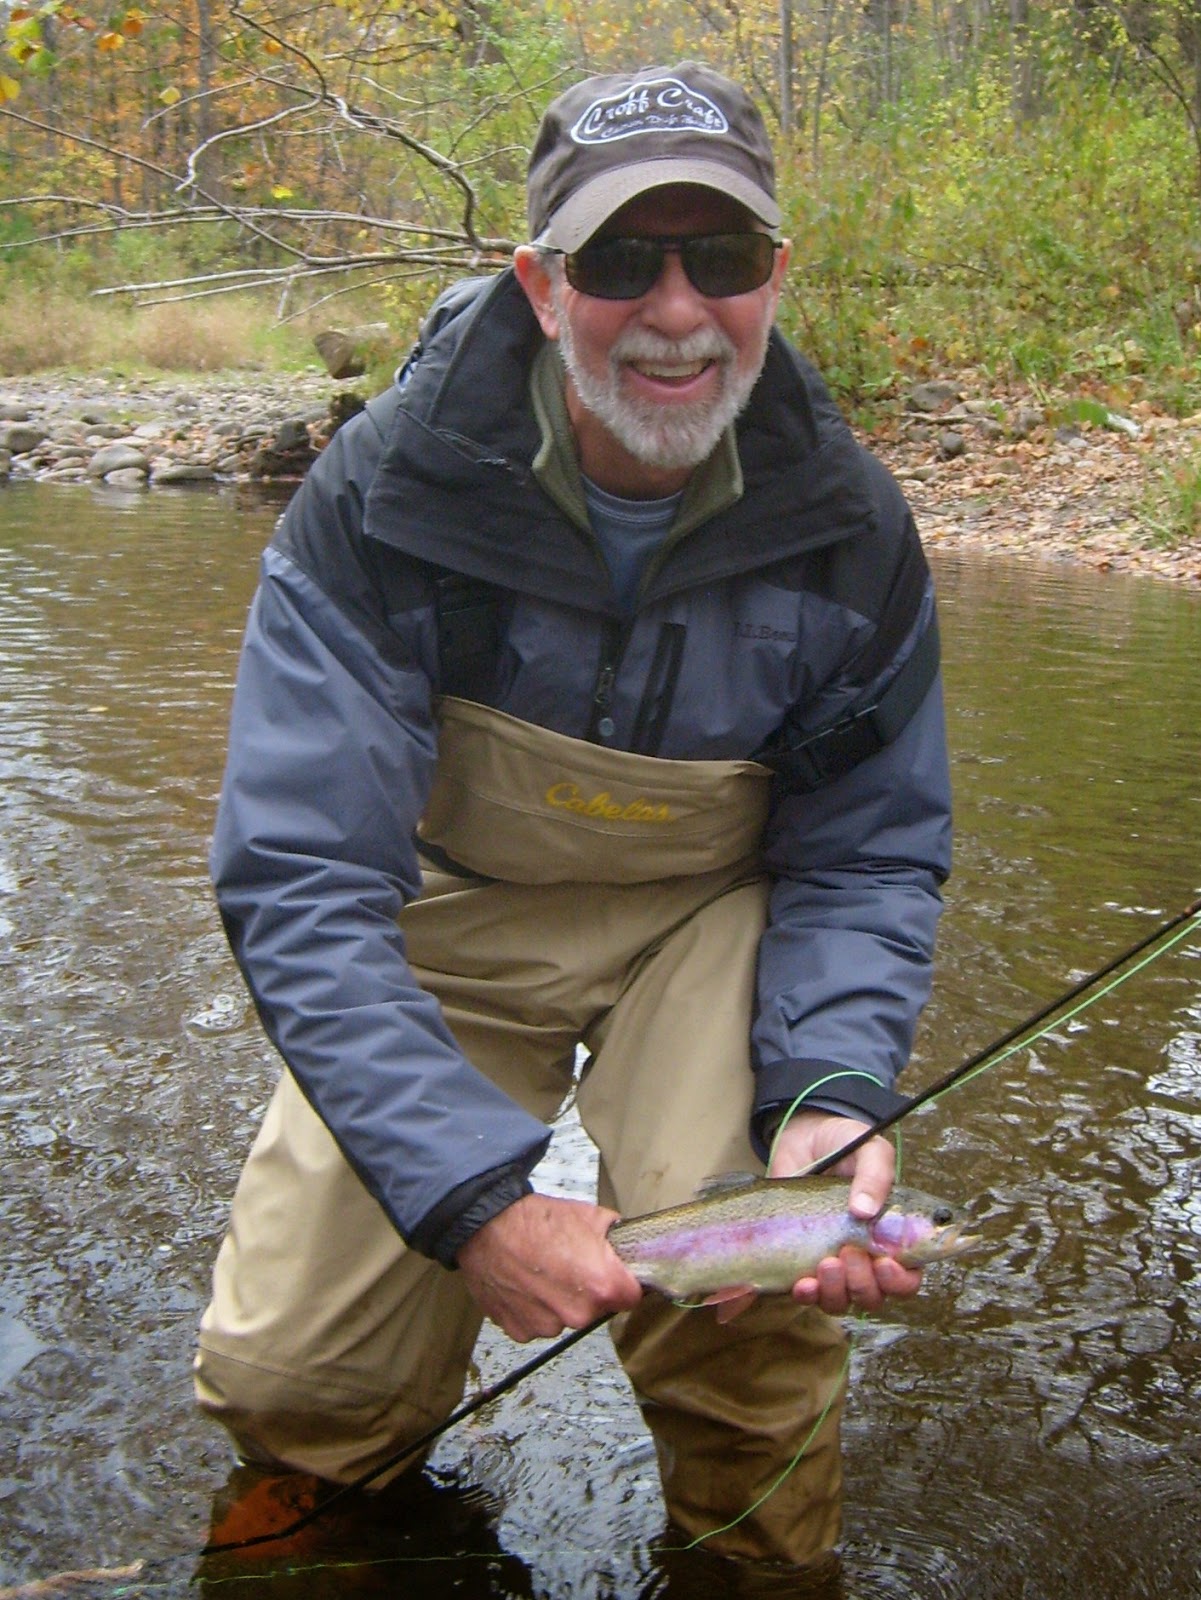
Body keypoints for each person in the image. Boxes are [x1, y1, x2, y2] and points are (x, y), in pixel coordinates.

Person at [194, 60, 952, 1570]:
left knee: (750, 1309)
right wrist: (475, 1200)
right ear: (541, 287)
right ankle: (321, 1538)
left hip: (711, 922)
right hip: (454, 914)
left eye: (719, 257)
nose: (676, 312)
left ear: (773, 277)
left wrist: (831, 1086)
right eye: (619, 263)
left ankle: (756, 1563)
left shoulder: (851, 524)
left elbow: (867, 854)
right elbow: (300, 877)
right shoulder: (384, 497)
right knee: (299, 1379)